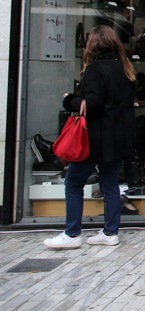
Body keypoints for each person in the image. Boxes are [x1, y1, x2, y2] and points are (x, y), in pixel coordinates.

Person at [45, 25, 136, 249]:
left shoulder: (95, 69)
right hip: (116, 137)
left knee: (73, 182)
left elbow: (92, 105)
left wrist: (71, 100)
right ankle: (110, 231)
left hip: (94, 138)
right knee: (110, 184)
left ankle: (72, 233)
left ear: (93, 44)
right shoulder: (124, 68)